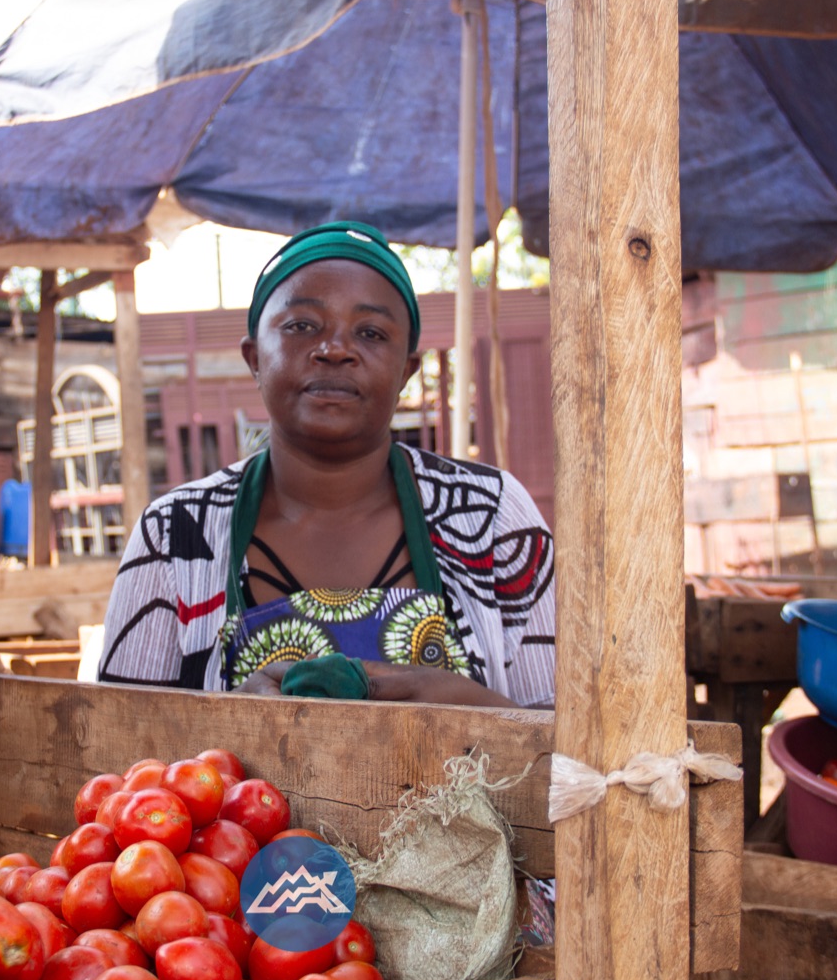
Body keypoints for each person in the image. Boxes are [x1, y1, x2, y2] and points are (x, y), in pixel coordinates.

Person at [98, 221, 556, 705]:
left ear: (406, 370)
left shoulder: (491, 516)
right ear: (254, 358)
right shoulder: (175, 533)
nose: (335, 349)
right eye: (302, 326)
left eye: (372, 332)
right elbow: (119, 755)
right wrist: (233, 729)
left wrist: (462, 705)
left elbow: (569, 751)